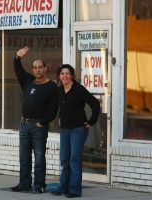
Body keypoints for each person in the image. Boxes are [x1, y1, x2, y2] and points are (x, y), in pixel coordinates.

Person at [10, 47, 58, 193]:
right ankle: (24, 184)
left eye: (40, 67)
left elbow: (53, 109)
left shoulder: (51, 86)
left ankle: (39, 185)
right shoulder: (28, 81)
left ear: (45, 69)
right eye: (35, 67)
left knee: (39, 158)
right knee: (24, 157)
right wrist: (17, 57)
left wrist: (42, 122)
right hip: (24, 124)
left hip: (39, 126)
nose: (37, 70)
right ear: (33, 69)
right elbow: (18, 70)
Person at [52, 64, 100, 198]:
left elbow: (95, 104)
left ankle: (75, 190)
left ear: (72, 75)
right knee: (64, 159)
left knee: (74, 160)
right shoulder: (60, 90)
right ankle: (63, 187)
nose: (65, 76)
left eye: (67, 73)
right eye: (62, 73)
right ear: (59, 76)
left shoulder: (79, 89)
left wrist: (91, 121)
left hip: (78, 129)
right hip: (65, 129)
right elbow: (59, 107)